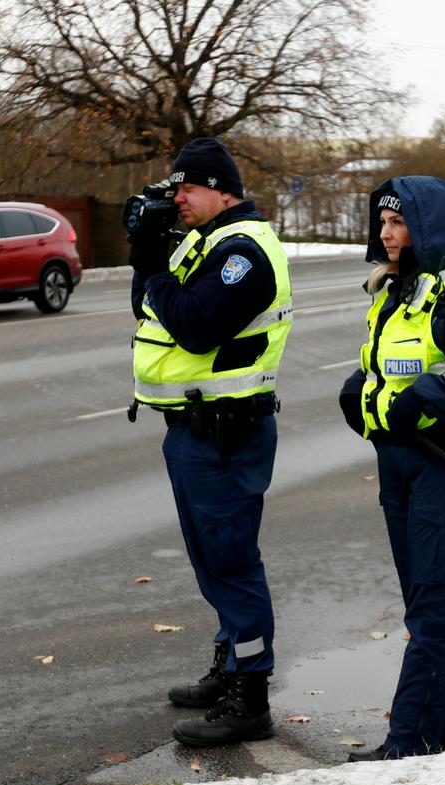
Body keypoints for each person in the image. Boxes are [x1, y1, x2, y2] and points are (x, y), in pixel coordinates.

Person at [128, 138, 293, 746]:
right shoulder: (202, 244)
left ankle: (251, 697)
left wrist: (152, 266)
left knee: (232, 561)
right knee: (213, 563)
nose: (178, 200)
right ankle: (231, 667)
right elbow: (152, 316)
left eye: (187, 189)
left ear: (224, 190)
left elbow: (195, 328)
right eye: (173, 190)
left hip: (227, 431)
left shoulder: (244, 252)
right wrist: (147, 257)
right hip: (192, 430)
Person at [339, 176, 445, 761]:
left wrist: (424, 400)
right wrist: (361, 393)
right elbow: (387, 369)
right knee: (429, 602)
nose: (386, 234)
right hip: (399, 464)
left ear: (427, 227)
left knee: (432, 606)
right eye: (382, 223)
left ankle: (410, 740)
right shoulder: (392, 292)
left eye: (399, 222)